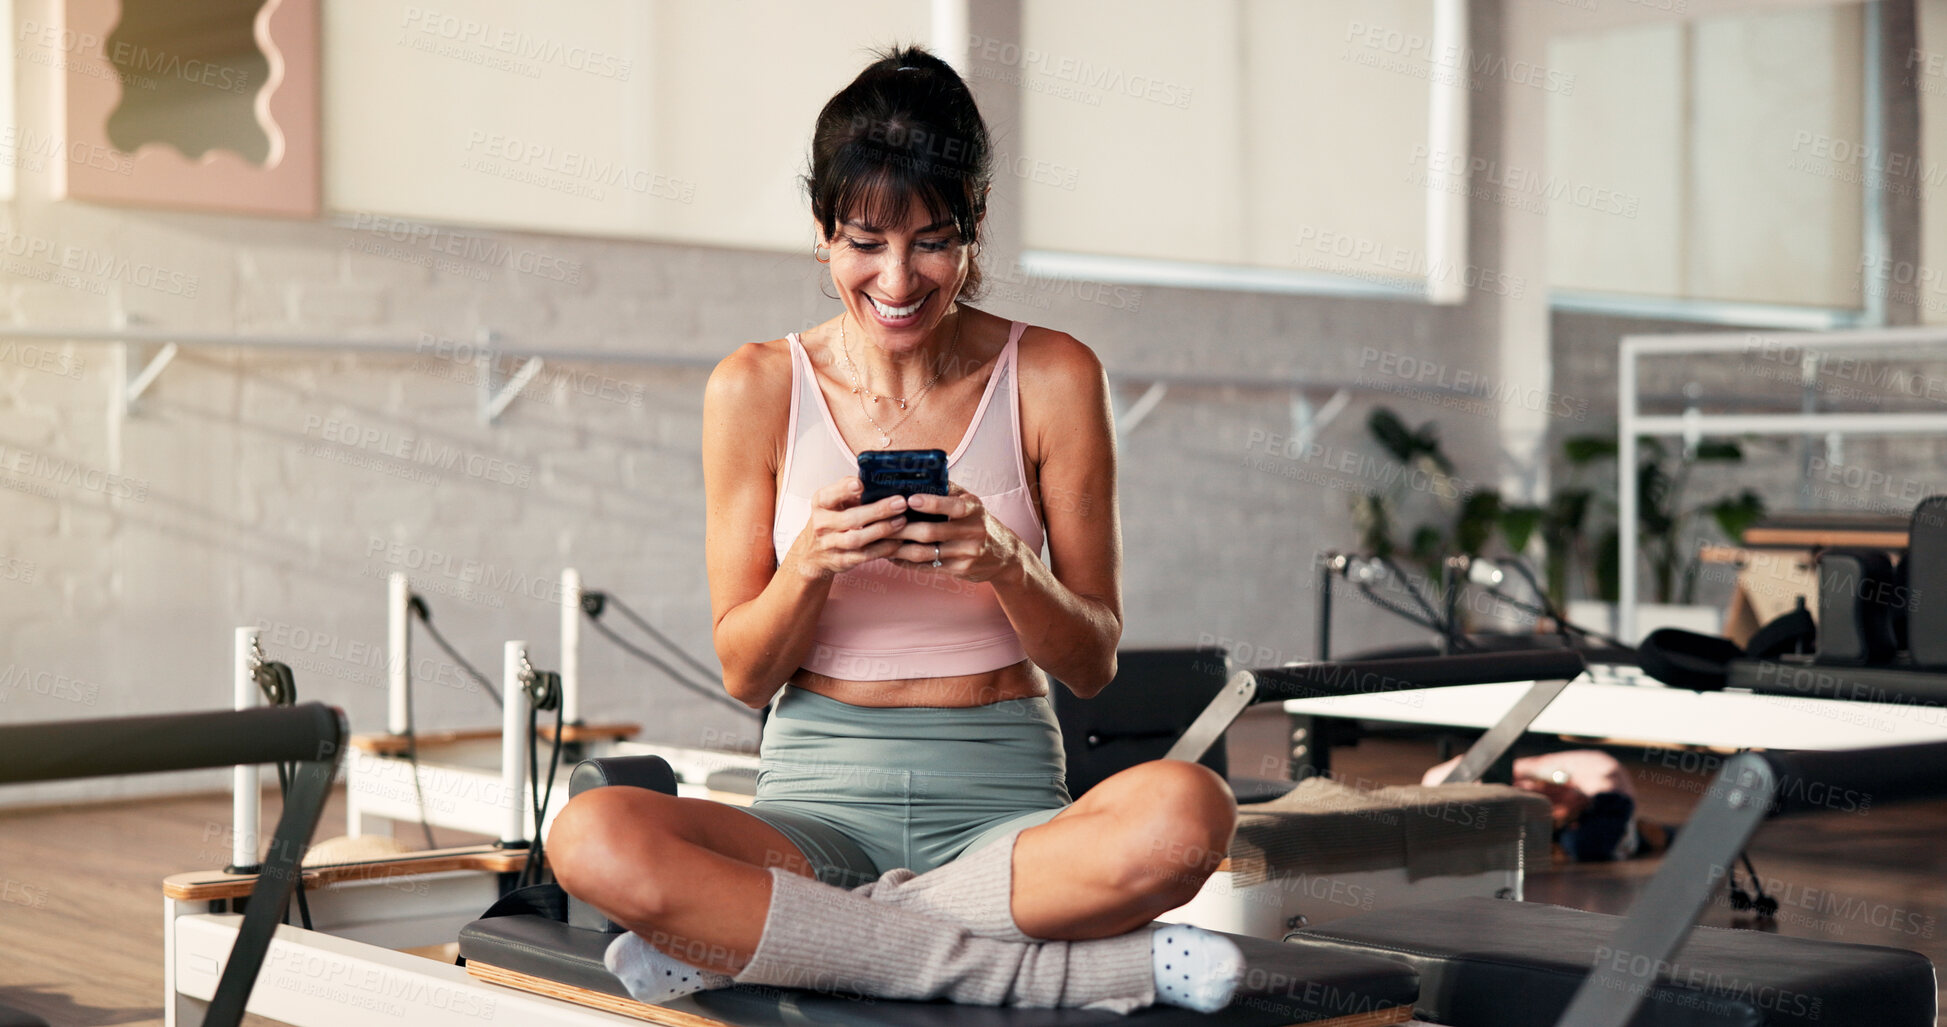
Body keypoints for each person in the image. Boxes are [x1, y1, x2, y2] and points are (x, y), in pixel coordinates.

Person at [548, 45, 1242, 1013]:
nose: (899, 278)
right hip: (807, 817)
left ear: (977, 224)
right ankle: (1058, 970)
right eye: (866, 241)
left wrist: (1006, 566)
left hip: (1004, 814)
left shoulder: (1053, 376)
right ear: (824, 234)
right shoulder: (754, 387)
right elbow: (746, 672)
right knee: (587, 837)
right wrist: (809, 568)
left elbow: (1091, 664)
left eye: (933, 241)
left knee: (1191, 814)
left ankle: (783, 939)